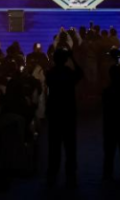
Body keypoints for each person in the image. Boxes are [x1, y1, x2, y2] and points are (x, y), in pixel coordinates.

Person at [46, 47, 83, 188]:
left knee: (54, 145)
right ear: (66, 59)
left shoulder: (51, 73)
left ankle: (53, 171)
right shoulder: (68, 73)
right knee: (70, 145)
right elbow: (80, 73)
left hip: (55, 112)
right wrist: (72, 58)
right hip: (68, 112)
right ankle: (70, 172)